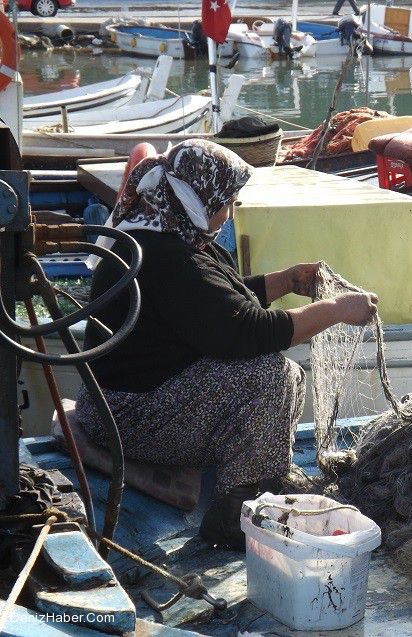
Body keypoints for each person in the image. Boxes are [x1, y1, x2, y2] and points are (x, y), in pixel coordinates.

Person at [75, 139, 378, 548]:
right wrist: (336, 310)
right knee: (269, 376)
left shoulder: (162, 234)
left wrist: (285, 281)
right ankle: (234, 512)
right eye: (228, 202)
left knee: (281, 374)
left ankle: (259, 478)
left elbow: (212, 305)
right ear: (197, 199)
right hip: (123, 417)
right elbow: (245, 332)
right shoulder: (169, 258)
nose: (230, 213)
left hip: (123, 399)